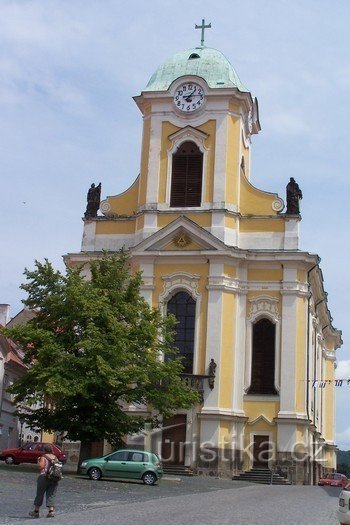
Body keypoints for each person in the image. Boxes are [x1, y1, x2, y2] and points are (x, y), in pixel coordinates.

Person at [29, 444, 60, 519]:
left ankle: (36, 511)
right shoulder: (55, 457)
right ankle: (51, 511)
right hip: (54, 478)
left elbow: (41, 466)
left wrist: (38, 461)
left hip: (44, 477)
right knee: (51, 494)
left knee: (40, 494)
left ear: (44, 450)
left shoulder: (43, 457)